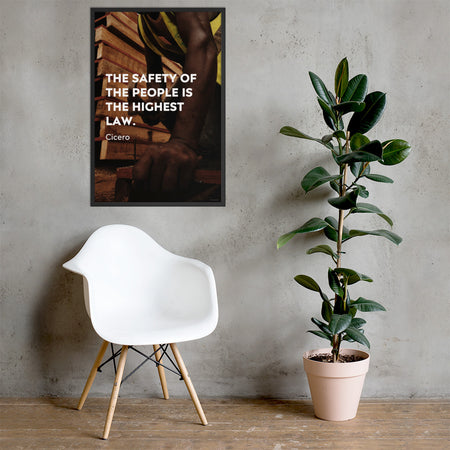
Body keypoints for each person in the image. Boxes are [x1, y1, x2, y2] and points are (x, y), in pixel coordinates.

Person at [130, 11, 222, 200]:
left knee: (200, 132)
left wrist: (183, 142)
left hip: (226, 64)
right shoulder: (143, 25)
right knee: (170, 111)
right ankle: (209, 160)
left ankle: (218, 177)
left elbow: (204, 45)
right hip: (203, 69)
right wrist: (153, 104)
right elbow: (154, 74)